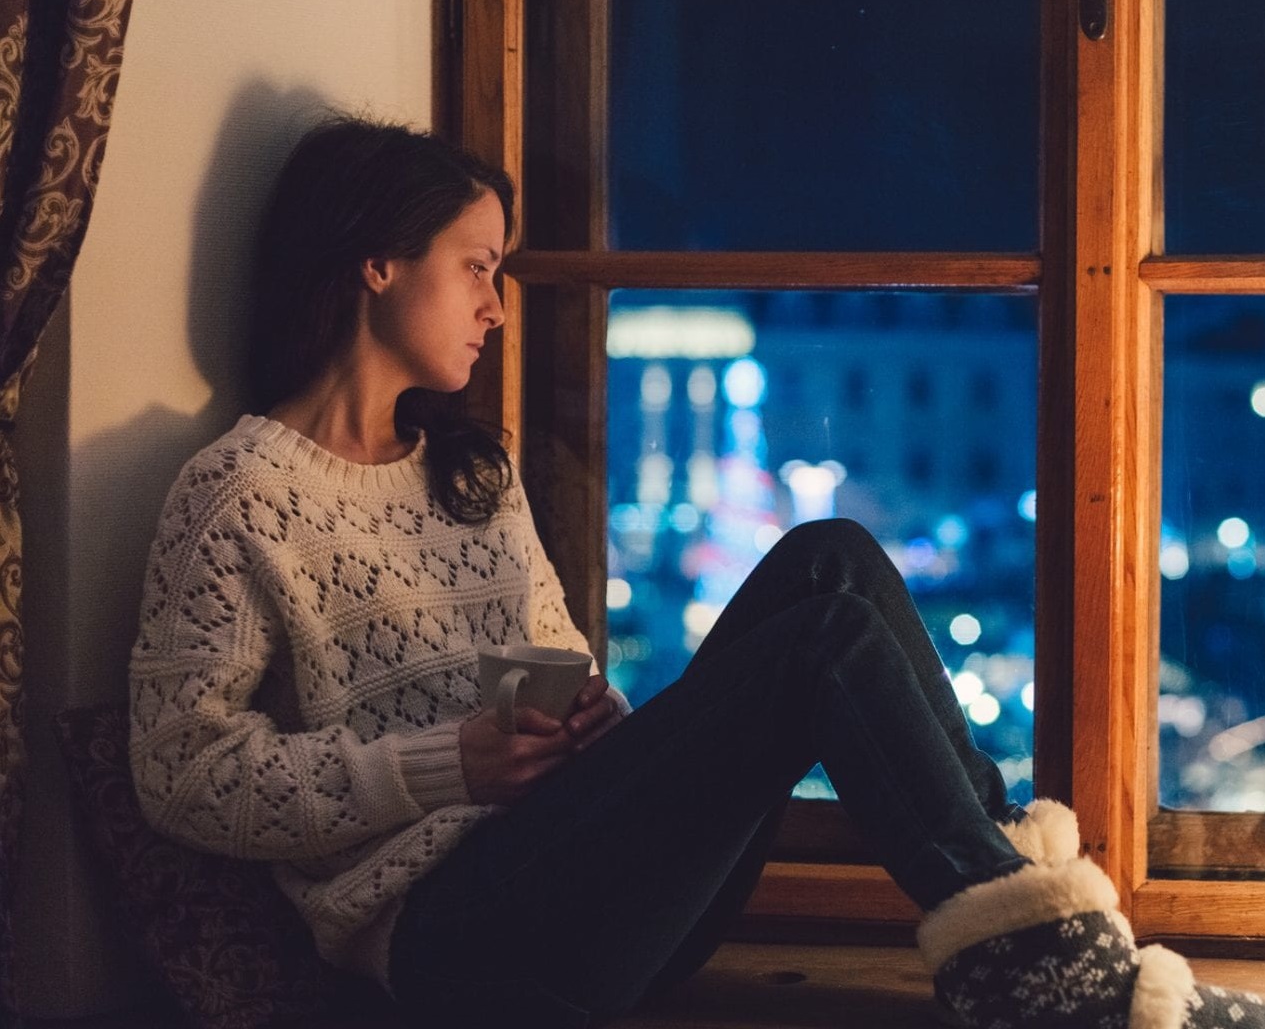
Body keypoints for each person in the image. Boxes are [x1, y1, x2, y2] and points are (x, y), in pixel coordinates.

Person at [129, 114, 1264, 1029]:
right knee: (820, 647)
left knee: (832, 558)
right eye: (475, 267)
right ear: (375, 262)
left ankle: (1042, 945)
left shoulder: (468, 475)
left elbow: (564, 674)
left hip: (595, 886)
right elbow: (179, 775)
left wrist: (587, 718)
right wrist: (442, 766)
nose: (495, 303)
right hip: (454, 942)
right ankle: (1050, 977)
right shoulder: (238, 492)